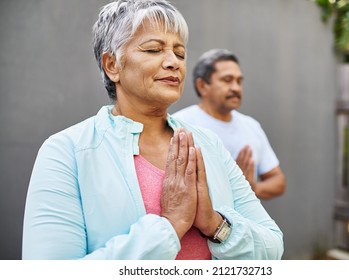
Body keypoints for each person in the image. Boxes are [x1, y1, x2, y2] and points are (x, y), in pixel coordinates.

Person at [22, 0, 283, 260]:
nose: (173, 62)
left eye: (180, 53)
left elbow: (273, 246)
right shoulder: (67, 151)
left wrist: (215, 225)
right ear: (112, 65)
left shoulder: (208, 144)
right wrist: (170, 226)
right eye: (153, 49)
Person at [173, 49, 286, 200]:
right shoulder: (180, 125)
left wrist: (251, 188)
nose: (236, 88)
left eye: (239, 81)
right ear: (202, 86)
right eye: (227, 80)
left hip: (246, 222)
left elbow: (278, 181)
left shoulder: (251, 126)